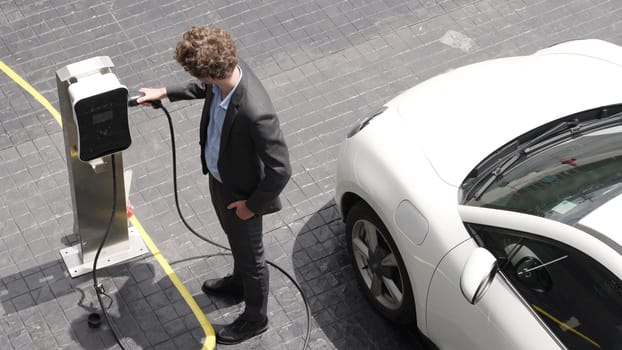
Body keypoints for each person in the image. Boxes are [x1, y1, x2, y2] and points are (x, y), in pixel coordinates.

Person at [137, 25, 291, 345]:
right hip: (220, 179)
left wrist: (251, 207)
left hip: (242, 196)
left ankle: (255, 318)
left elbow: (281, 169)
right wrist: (165, 92)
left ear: (210, 74)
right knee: (235, 242)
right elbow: (201, 90)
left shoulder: (256, 113)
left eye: (201, 77)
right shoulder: (226, 74)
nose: (202, 83)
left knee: (252, 258)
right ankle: (237, 284)